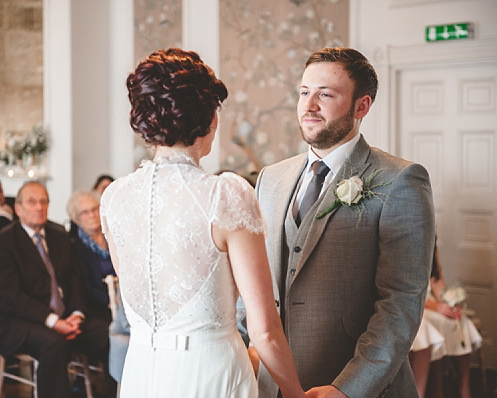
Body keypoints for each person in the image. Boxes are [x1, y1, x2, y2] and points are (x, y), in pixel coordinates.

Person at [100, 48, 306, 398]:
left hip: (140, 372)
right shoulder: (224, 196)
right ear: (209, 118)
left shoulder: (114, 198)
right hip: (209, 372)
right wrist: (296, 394)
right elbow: (264, 330)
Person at [242, 47, 435, 397]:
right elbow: (253, 279)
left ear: (362, 106)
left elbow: (400, 305)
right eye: (304, 92)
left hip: (358, 387)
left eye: (325, 94)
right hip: (272, 386)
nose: (309, 105)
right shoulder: (271, 178)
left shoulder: (400, 180)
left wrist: (348, 390)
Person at [0, 181, 115, 398]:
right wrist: (54, 322)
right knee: (53, 343)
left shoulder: (59, 235)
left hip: (65, 317)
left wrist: (77, 314)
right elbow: (10, 297)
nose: (39, 207)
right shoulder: (3, 242)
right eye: (32, 202)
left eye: (43, 202)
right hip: (18, 322)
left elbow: (74, 281)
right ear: (18, 208)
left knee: (110, 333)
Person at [414, 241, 482, 398]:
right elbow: (411, 294)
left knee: (458, 319)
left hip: (433, 303)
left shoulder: (432, 248)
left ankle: (463, 383)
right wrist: (436, 307)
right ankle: (436, 384)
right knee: (436, 323)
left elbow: (438, 285)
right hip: (420, 306)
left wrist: (448, 302)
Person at [66, 191, 116, 322]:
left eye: (95, 209)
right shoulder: (74, 247)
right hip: (100, 309)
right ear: (76, 218)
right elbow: (85, 286)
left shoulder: (114, 237)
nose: (92, 215)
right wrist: (111, 301)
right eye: (85, 212)